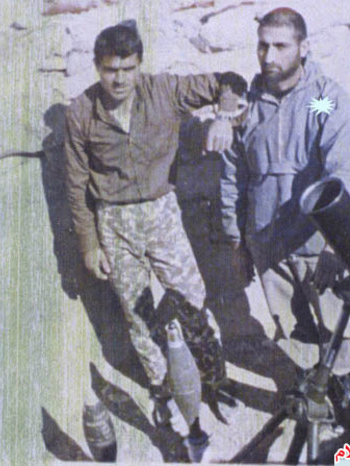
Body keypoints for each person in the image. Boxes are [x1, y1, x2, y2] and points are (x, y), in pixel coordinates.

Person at [64, 20, 245, 460]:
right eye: (110, 69)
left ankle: (215, 381)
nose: (119, 79)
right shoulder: (81, 112)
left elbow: (231, 82)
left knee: (192, 301)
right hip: (114, 222)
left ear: (140, 65)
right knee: (139, 316)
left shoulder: (164, 90)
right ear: (97, 67)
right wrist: (89, 244)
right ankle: (165, 392)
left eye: (127, 68)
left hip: (162, 213)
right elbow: (76, 185)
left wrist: (223, 118)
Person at [219, 7, 350, 405]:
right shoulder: (247, 107)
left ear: (304, 48)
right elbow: (232, 177)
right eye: (263, 46)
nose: (268, 56)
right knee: (290, 324)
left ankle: (343, 388)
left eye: (281, 46)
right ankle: (308, 382)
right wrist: (237, 242)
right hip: (268, 244)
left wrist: (337, 244)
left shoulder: (321, 102)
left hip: (315, 244)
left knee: (334, 324)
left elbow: (345, 174)